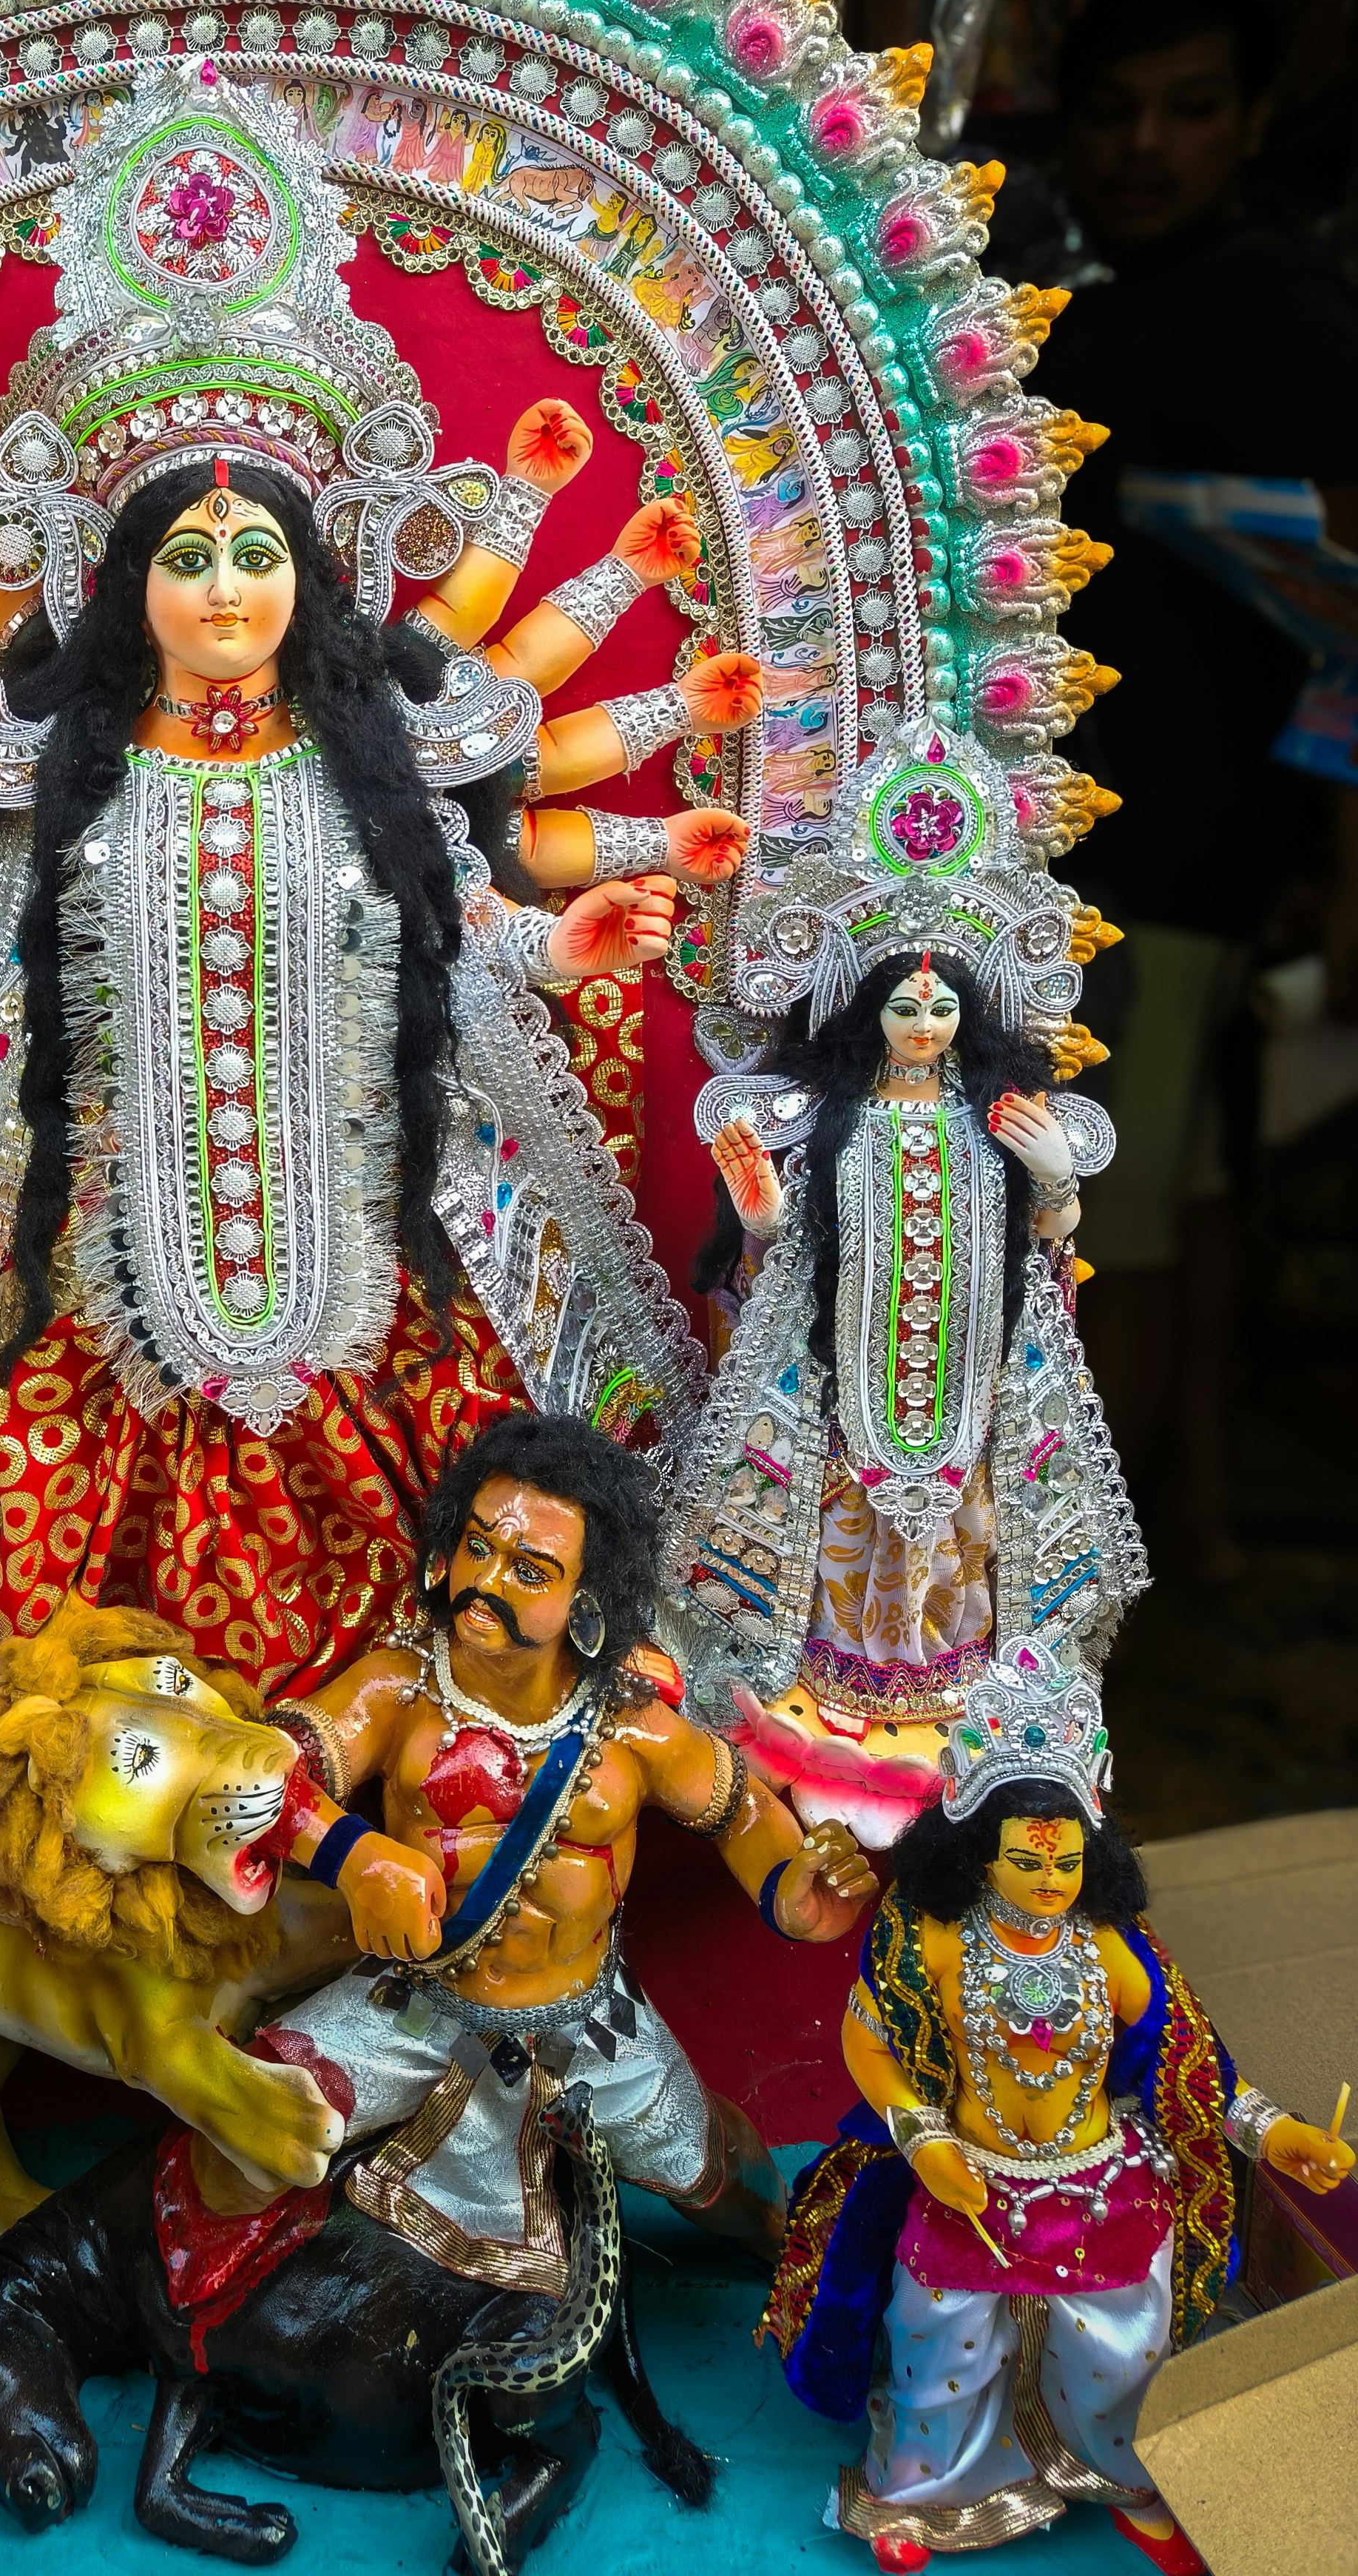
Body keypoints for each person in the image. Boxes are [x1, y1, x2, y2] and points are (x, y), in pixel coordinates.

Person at [0, 57, 763, 1951]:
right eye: (184, 556)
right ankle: (133, 1930)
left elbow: (451, 951)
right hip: (107, 1297)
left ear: (310, 577)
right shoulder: (63, 789)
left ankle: (413, 1905)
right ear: (127, 584)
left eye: (255, 551)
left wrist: (571, 947)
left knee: (458, 1595)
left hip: (371, 1290)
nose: (221, 588)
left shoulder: (376, 773)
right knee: (64, 1652)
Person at [230, 1408, 878, 2283]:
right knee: (255, 2102)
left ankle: (789, 2239)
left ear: (587, 1601)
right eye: (478, 1546)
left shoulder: (637, 1729)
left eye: (530, 1569)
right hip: (410, 2006)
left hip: (590, 2028)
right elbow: (256, 1773)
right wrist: (352, 1856)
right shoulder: (396, 1689)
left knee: (708, 2169)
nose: (486, 1580)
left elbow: (738, 1813)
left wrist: (791, 1891)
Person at [759, 1640, 1352, 2572]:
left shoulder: (1110, 1944)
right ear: (974, 1851)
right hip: (968, 2178)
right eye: (1027, 1858)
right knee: (938, 2342)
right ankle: (925, 2492)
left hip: (1097, 2183)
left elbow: (1188, 2061)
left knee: (1116, 2352)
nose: (1051, 1879)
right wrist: (922, 2138)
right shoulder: (930, 1937)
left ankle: (1129, 2476)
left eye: (1069, 1859)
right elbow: (867, 2042)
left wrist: (1274, 2134)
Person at [658, 721, 1142, 1844]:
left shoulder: (997, 1121)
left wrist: (1054, 1183)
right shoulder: (827, 1123)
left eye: (943, 1009)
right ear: (867, 1011)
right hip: (845, 1384)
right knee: (846, 1517)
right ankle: (830, 1702)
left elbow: (1048, 1250)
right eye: (906, 1007)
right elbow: (789, 1263)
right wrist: (764, 1227)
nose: (925, 1026)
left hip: (971, 1378)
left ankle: (952, 1701)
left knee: (966, 1529)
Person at [1033, 0, 1358, 1573]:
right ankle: (1182, 1545)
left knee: (1120, 1227)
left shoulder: (1266, 309)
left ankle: (1077, 1615)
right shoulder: (1134, 300)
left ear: (1254, 120)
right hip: (1164, 842)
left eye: (1191, 108)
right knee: (1177, 1199)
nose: (1146, 146)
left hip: (1165, 848)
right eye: (1114, 112)